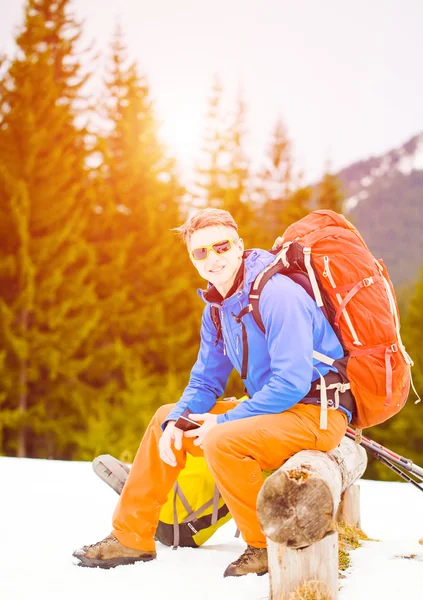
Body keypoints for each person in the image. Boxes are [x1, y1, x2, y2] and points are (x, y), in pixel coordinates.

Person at [73, 208, 354, 576]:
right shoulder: (219, 309)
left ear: (239, 247)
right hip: (274, 411)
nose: (212, 259)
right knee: (165, 419)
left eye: (220, 247)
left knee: (222, 438)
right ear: (192, 259)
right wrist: (179, 419)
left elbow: (291, 382)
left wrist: (224, 419)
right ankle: (131, 536)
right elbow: (205, 382)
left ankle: (262, 545)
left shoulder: (276, 294)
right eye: (200, 252)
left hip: (316, 413)